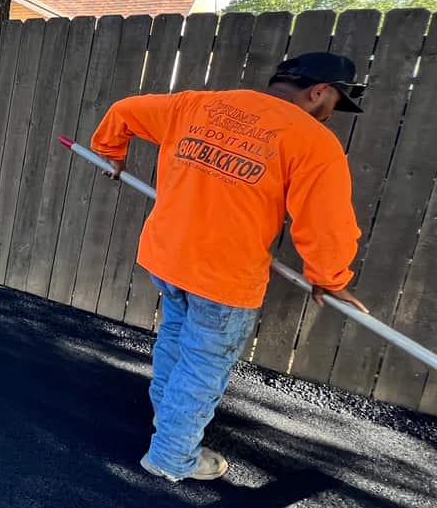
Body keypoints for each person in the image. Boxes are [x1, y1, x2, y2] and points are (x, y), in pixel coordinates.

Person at [91, 52, 370, 483]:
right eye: (335, 102)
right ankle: (172, 455)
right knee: (201, 366)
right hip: (223, 279)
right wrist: (329, 279)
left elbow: (124, 111)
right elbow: (326, 226)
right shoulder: (313, 140)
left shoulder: (196, 105)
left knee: (175, 341)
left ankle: (169, 424)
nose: (333, 113)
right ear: (319, 92)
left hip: (168, 258)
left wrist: (111, 151)